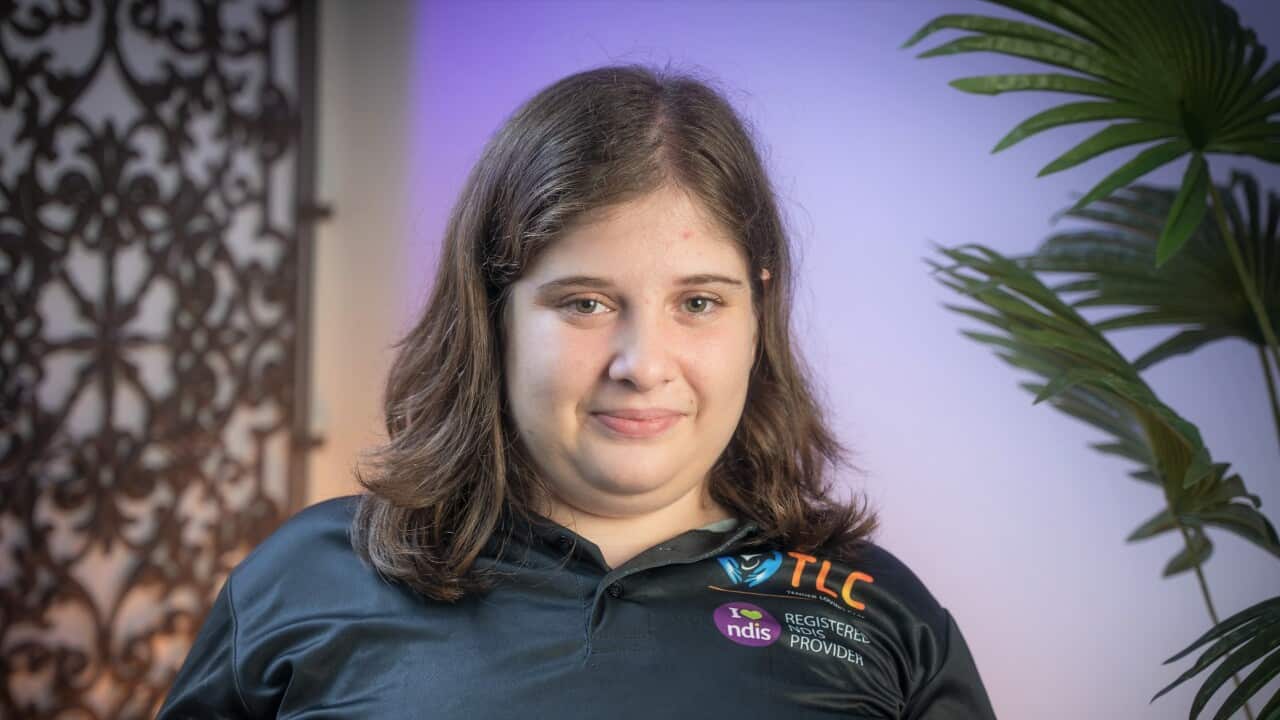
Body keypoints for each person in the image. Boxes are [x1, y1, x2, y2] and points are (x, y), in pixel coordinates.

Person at [158, 64, 997, 719]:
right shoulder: (305, 582)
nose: (642, 362)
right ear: (497, 317)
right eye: (585, 303)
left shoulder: (882, 613)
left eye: (697, 302)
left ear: (757, 315)